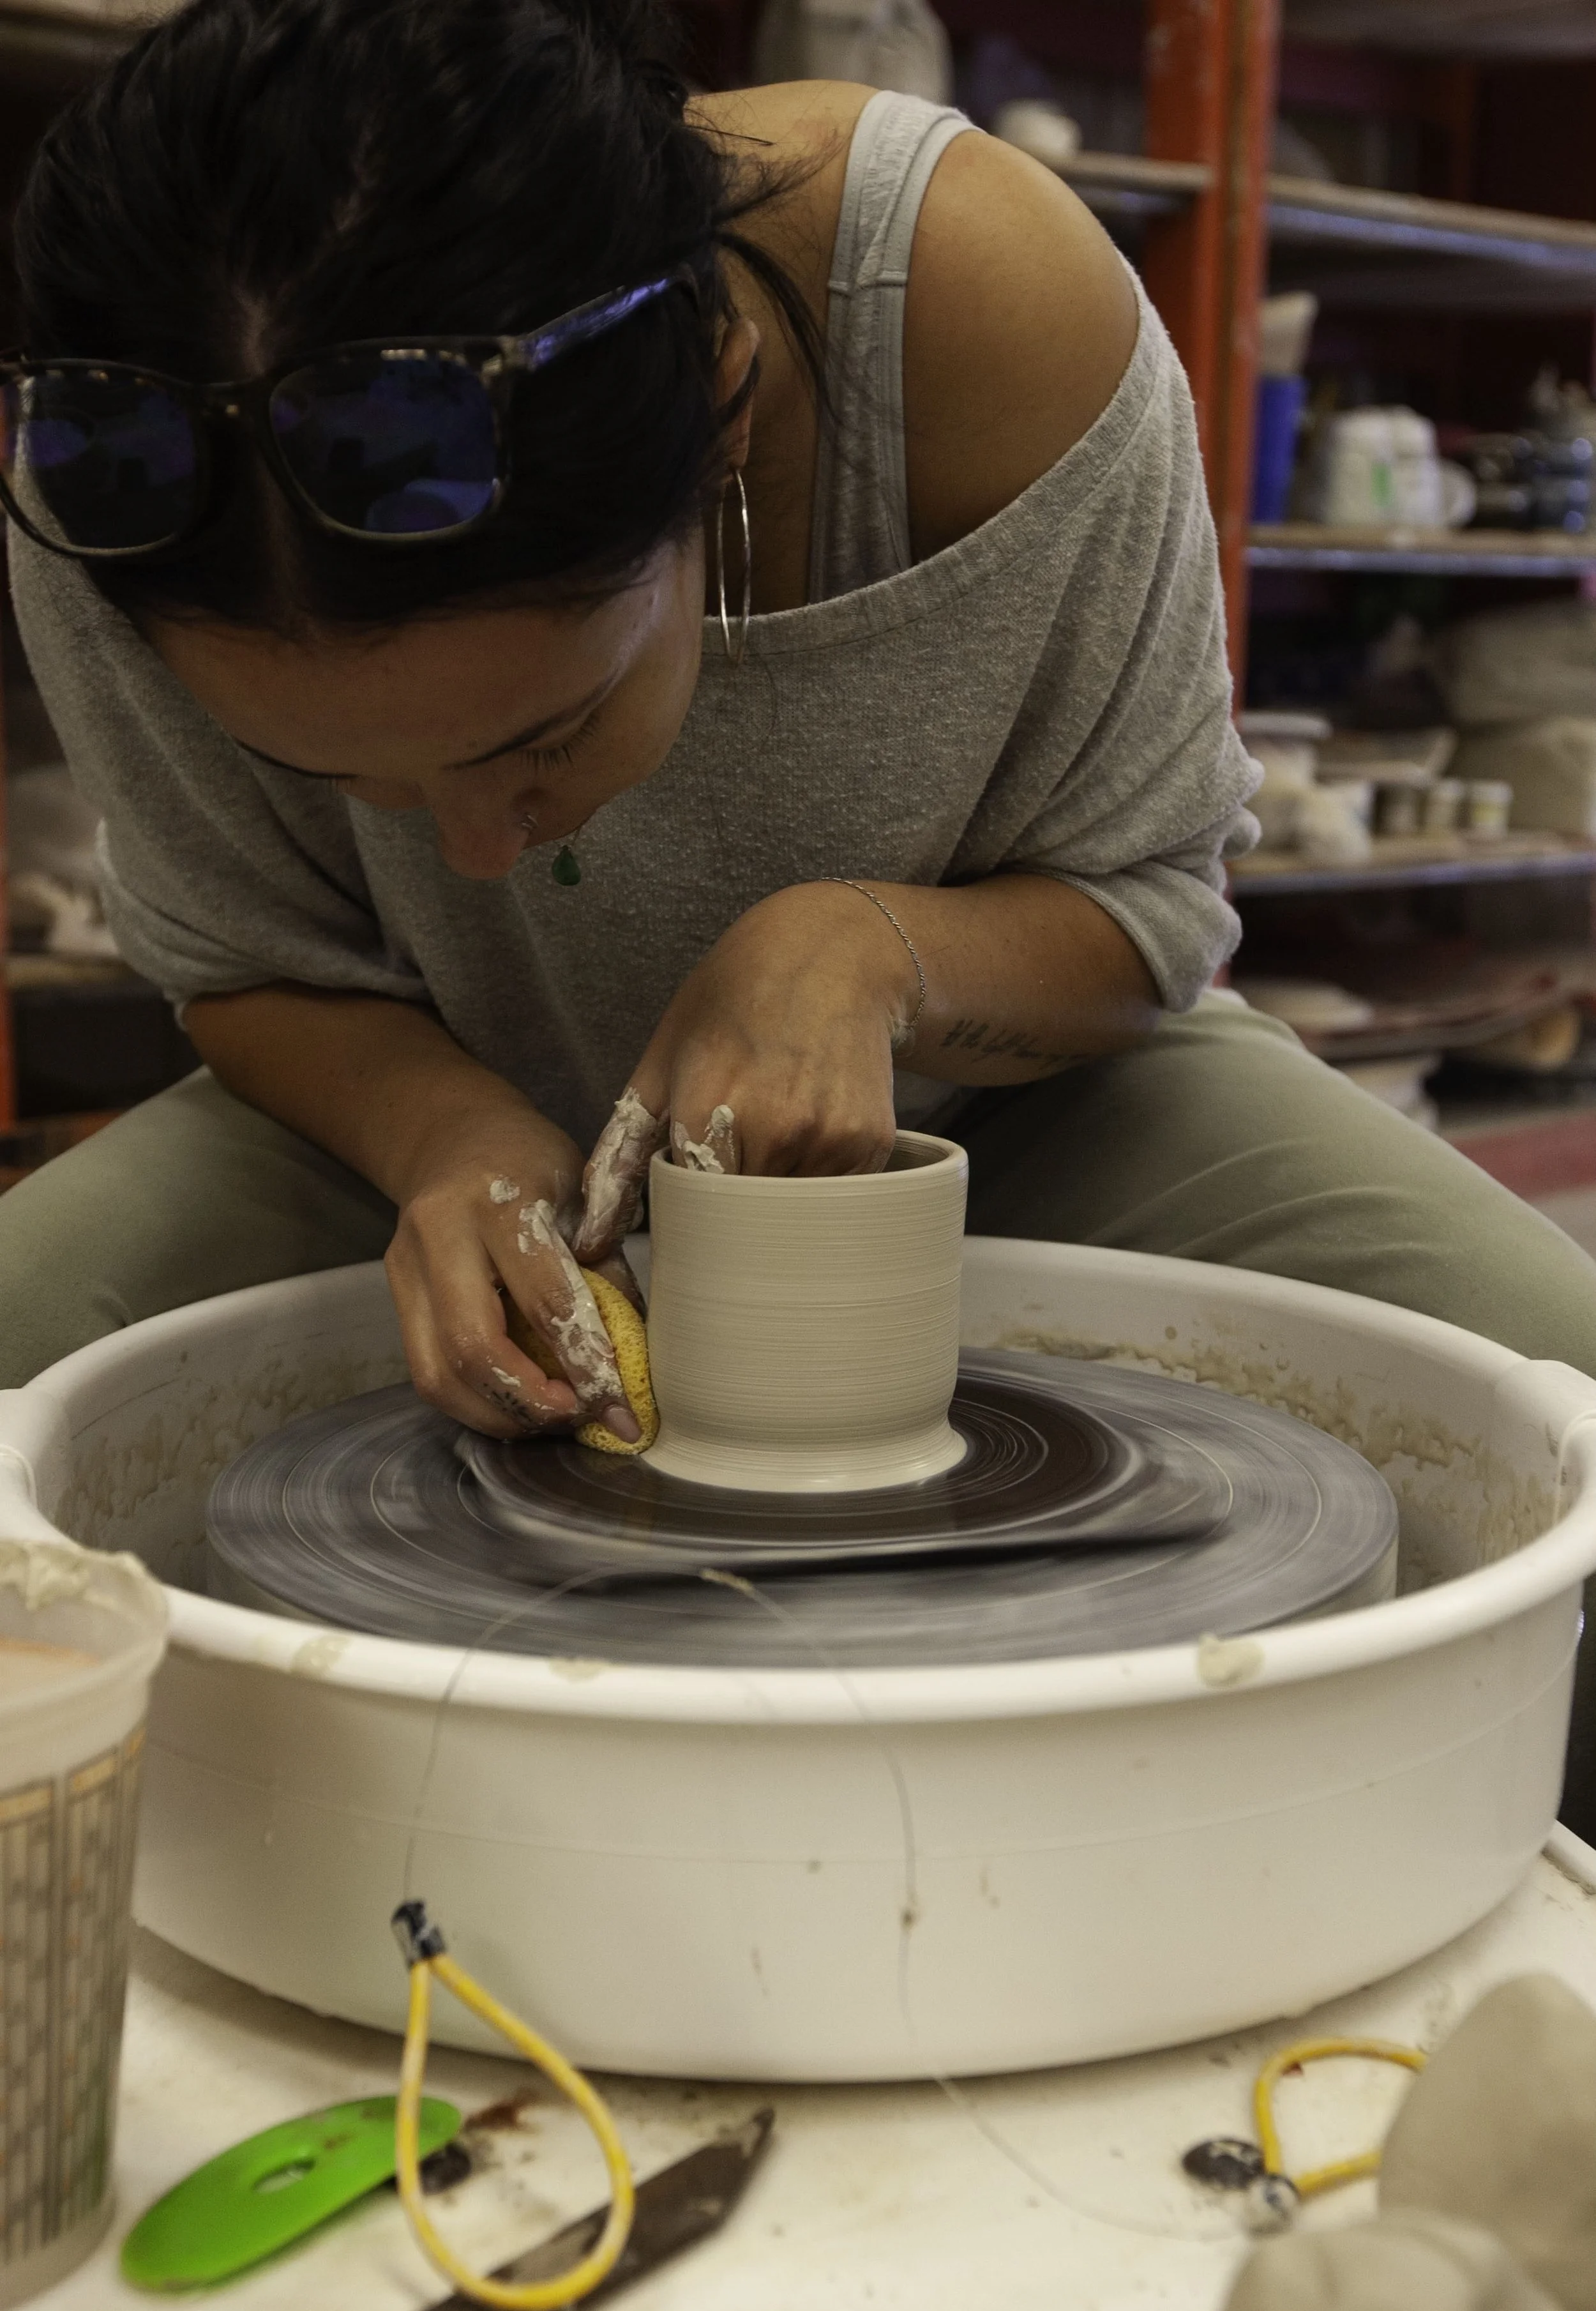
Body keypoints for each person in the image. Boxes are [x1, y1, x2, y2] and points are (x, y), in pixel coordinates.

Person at [4, 0, 1596, 1469]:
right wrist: (445, 1133)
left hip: (998, 1106)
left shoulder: (978, 310)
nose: (480, 851)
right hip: (400, 1116)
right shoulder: (131, 481)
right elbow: (245, 959)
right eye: (341, 778)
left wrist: (874, 953)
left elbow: (1150, 914)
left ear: (723, 404)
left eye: (541, 734)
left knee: (1561, 1392)